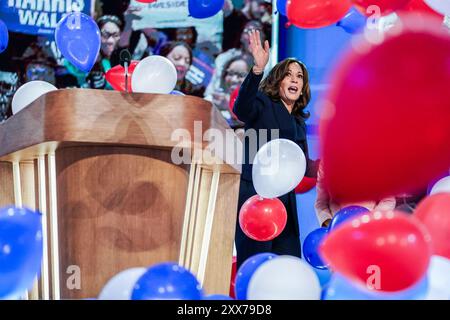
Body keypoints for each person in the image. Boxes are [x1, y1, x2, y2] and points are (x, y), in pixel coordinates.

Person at [233, 30, 320, 268]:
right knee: (254, 263)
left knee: (287, 263)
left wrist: (325, 164)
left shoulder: (299, 121)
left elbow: (303, 167)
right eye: (288, 75)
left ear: (303, 86)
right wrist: (257, 70)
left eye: (299, 77)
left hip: (285, 204)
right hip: (255, 196)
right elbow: (241, 109)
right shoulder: (263, 102)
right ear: (277, 80)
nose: (294, 80)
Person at [314, 163, 396, 227]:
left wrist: (371, 220)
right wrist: (330, 223)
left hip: (371, 229)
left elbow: (388, 200)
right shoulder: (326, 163)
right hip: (338, 232)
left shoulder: (379, 161)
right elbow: (321, 203)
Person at [204, 20, 268, 101]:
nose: (253, 36)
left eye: (257, 31)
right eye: (248, 31)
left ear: (264, 37)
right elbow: (213, 89)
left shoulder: (271, 60)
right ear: (241, 36)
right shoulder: (224, 58)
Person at [207, 54, 252, 128]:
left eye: (241, 75)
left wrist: (228, 105)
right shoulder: (213, 99)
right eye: (230, 74)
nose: (233, 79)